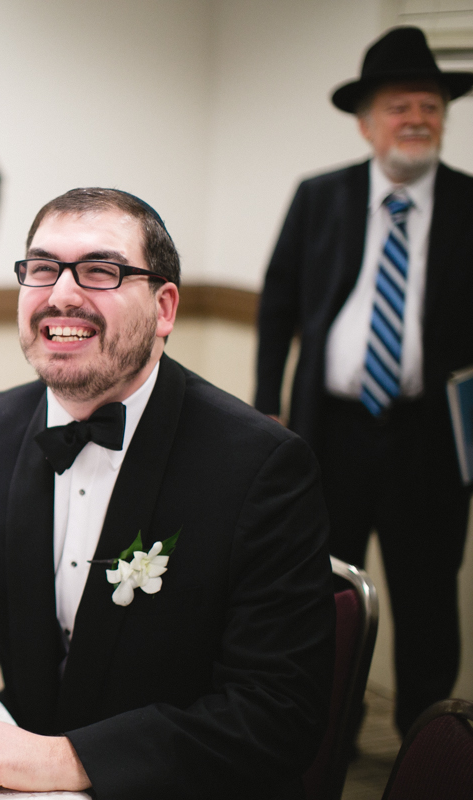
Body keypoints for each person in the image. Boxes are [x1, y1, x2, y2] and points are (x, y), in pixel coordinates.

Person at [0, 188, 335, 799]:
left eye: (100, 270)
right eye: (42, 269)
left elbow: (277, 714)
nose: (62, 294)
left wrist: (72, 760)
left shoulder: (260, 467)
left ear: (164, 307)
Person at [255, 26, 473, 736]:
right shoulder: (320, 197)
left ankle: (424, 754)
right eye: (399, 105)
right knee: (320, 594)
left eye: (430, 105)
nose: (416, 118)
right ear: (366, 120)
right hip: (330, 433)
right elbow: (277, 305)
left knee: (427, 603)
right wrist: (267, 413)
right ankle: (322, 740)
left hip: (431, 440)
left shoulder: (472, 205)